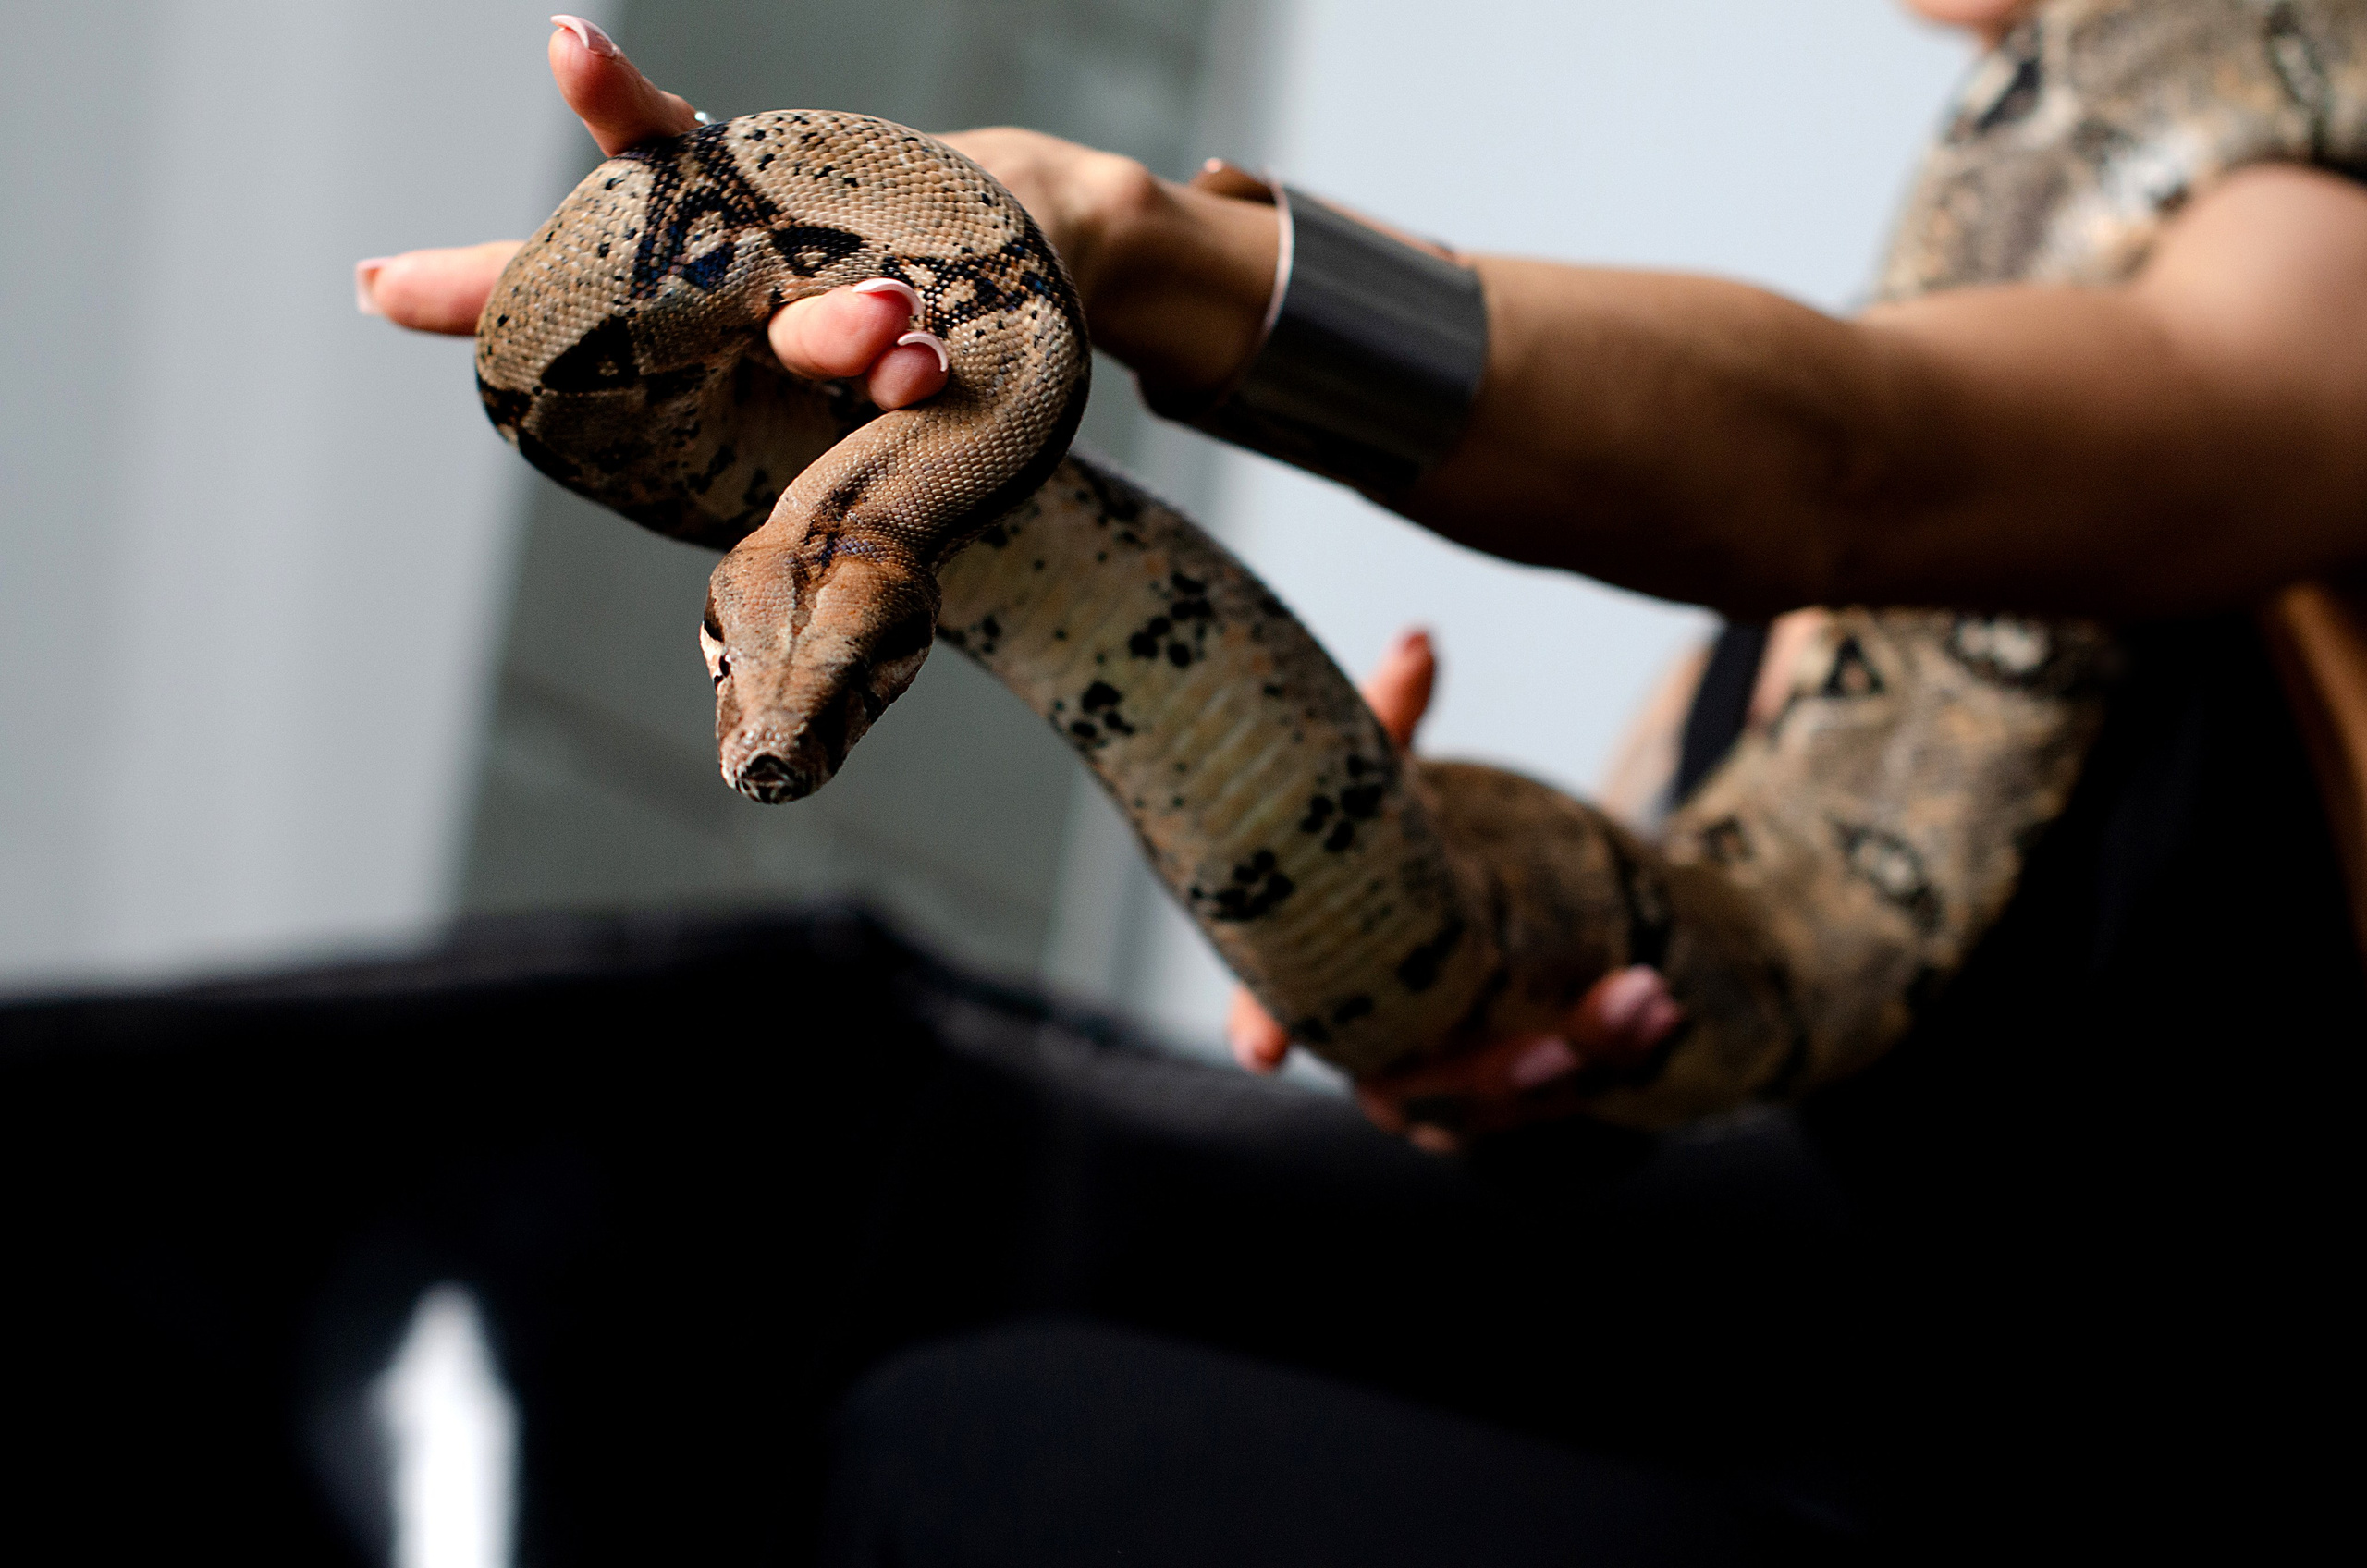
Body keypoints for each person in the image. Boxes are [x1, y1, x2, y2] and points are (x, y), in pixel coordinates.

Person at [338, 0, 2360, 1558]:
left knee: (968, 1451)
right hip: (1901, 1341)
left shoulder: (2307, 243)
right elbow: (1690, 955)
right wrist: (1463, 953)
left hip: (2122, 1410)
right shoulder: (1998, 224)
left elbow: (1853, 464)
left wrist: (1146, 251)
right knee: (860, 1240)